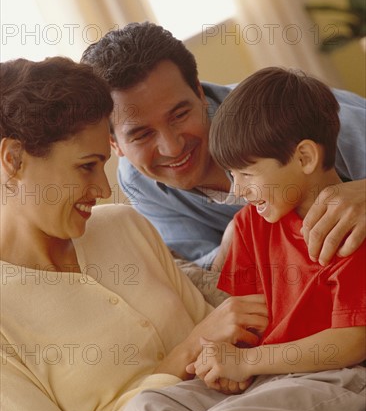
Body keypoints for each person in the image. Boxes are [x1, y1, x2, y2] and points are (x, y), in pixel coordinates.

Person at [0, 57, 268, 411]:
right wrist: (181, 357)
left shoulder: (123, 225)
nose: (103, 189)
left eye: (104, 165)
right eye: (86, 167)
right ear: (14, 159)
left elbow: (223, 344)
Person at [117, 68, 366, 411]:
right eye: (232, 175)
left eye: (247, 174)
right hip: (268, 379)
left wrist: (248, 363)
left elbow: (352, 343)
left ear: (304, 158)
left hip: (335, 378)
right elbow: (249, 315)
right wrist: (225, 355)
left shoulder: (347, 229)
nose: (238, 189)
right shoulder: (251, 226)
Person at [81, 21, 366, 270]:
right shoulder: (138, 182)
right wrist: (239, 236)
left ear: (199, 92)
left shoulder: (286, 113)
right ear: (113, 143)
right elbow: (207, 267)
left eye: (180, 115)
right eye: (141, 135)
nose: (172, 147)